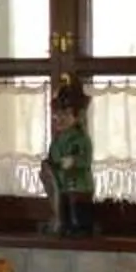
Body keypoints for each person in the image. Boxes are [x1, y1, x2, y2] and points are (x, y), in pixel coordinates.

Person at [44, 80, 95, 237]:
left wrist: (74, 161)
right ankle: (63, 225)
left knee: (78, 209)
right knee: (64, 207)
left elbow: (85, 159)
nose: (60, 118)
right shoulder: (57, 140)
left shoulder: (81, 138)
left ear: (76, 116)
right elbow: (52, 158)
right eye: (58, 114)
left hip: (79, 185)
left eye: (65, 114)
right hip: (62, 184)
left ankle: (81, 227)